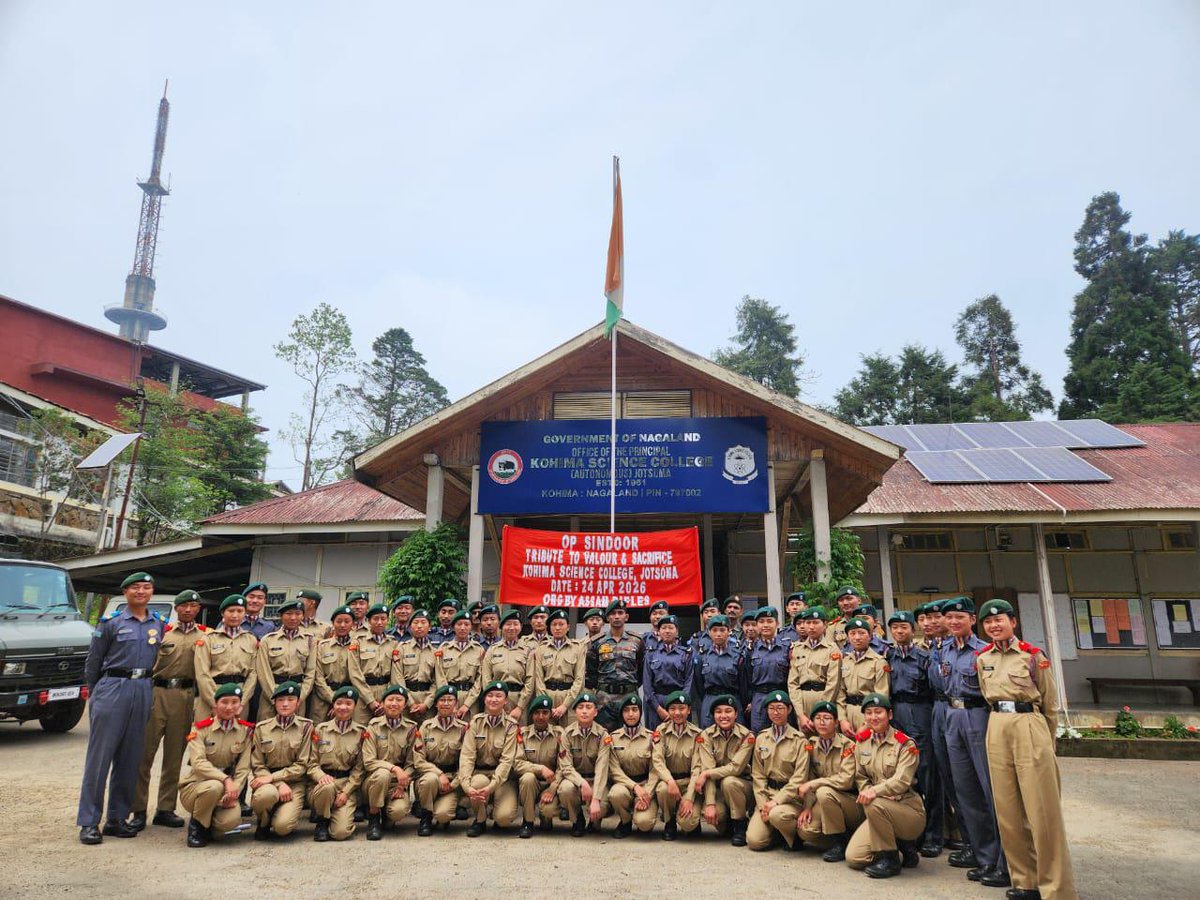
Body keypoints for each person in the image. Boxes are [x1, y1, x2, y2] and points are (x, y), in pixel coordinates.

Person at [976, 600, 1077, 900]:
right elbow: (986, 694)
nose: (995, 626)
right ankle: (1025, 880)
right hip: (997, 725)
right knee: (1008, 810)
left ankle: (1056, 888)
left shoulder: (1033, 656)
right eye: (989, 623)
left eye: (1000, 620)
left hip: (1028, 725)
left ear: (1013, 622)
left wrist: (1046, 742)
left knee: (1042, 811)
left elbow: (1049, 704)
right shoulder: (983, 658)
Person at [77, 572, 162, 845]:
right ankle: (89, 822)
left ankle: (116, 818)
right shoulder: (111, 623)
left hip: (144, 687)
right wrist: (98, 693)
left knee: (130, 758)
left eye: (146, 587)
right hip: (113, 686)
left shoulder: (157, 624)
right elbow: (94, 662)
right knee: (99, 758)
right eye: (135, 587)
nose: (141, 592)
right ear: (125, 592)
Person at [941, 596, 1009, 887]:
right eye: (950, 618)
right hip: (951, 717)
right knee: (965, 790)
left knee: (990, 790)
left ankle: (1004, 861)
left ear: (972, 620)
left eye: (960, 617)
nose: (953, 622)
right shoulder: (945, 650)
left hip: (979, 717)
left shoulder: (984, 651)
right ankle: (984, 856)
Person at [129, 588, 206, 832]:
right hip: (157, 693)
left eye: (193, 606)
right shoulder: (162, 631)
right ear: (177, 608)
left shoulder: (205, 636)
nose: (188, 610)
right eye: (184, 605)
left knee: (174, 756)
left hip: (185, 697)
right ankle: (138, 810)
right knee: (144, 755)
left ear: (198, 610)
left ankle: (165, 808)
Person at [845, 693, 926, 878]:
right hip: (879, 808)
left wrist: (875, 791)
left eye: (878, 712)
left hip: (907, 809)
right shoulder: (862, 742)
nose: (873, 717)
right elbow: (860, 776)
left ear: (889, 715)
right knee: (854, 858)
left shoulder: (905, 744)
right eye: (869, 713)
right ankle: (900, 845)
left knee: (873, 803)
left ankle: (890, 860)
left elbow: (902, 781)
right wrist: (870, 791)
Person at [885, 610, 938, 856]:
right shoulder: (889, 656)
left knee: (927, 772)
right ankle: (910, 830)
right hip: (897, 712)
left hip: (920, 712)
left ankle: (933, 834)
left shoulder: (923, 656)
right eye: (894, 628)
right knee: (903, 772)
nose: (899, 632)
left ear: (912, 629)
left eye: (903, 627)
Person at [177, 682, 253, 848]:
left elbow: (243, 769)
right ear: (215, 705)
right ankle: (197, 827)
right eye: (224, 702)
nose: (229, 707)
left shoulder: (245, 732)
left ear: (240, 707)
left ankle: (210, 825)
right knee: (214, 786)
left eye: (234, 702)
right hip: (197, 788)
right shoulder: (200, 729)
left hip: (226, 791)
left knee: (232, 820)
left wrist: (234, 791)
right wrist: (226, 780)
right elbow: (198, 764)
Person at [794, 700, 862, 861]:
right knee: (805, 831)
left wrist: (813, 784)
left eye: (827, 718)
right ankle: (845, 838)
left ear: (836, 722)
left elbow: (845, 780)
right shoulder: (811, 745)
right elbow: (809, 777)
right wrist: (808, 807)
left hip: (851, 802)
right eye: (817, 718)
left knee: (824, 792)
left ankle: (839, 843)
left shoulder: (848, 746)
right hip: (825, 801)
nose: (822, 722)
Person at [249, 681, 314, 839]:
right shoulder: (262, 728)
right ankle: (263, 822)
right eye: (280, 700)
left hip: (294, 783)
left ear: (298, 703)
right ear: (274, 702)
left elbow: (302, 765)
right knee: (266, 796)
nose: (285, 704)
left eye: (290, 700)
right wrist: (276, 782)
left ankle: (276, 815)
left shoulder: (306, 727)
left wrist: (275, 778)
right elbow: (257, 764)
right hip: (267, 781)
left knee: (283, 828)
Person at [925, 598, 964, 859]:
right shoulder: (930, 648)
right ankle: (942, 832)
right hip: (937, 710)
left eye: (936, 617)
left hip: (960, 711)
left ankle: (966, 835)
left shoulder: (958, 647)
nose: (930, 622)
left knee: (964, 775)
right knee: (938, 774)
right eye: (925, 619)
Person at [746, 689, 807, 851]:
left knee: (777, 815)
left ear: (789, 709)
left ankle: (793, 836)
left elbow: (799, 778)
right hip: (768, 795)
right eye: (772, 708)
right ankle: (776, 833)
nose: (776, 712)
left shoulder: (799, 740)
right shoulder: (762, 738)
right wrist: (762, 805)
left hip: (790, 799)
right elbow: (757, 775)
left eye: (780, 708)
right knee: (754, 842)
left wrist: (776, 801)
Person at [459, 681, 520, 836]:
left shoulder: (511, 726)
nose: (494, 699)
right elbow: (467, 757)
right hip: (480, 774)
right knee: (477, 783)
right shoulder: (475, 723)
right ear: (485, 699)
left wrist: (491, 787)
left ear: (505, 701)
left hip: (503, 779)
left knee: (504, 818)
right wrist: (467, 786)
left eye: (499, 696)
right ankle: (480, 820)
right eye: (490, 696)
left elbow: (507, 761)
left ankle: (497, 811)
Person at [694, 693, 754, 845]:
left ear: (736, 714)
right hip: (718, 789)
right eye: (718, 712)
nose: (723, 716)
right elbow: (707, 768)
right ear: (713, 715)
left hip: (742, 787)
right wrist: (710, 804)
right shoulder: (706, 735)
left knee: (729, 781)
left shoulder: (746, 736)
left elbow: (736, 768)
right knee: (716, 815)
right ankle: (727, 825)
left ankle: (740, 824)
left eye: (728, 711)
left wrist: (707, 773)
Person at [308, 685, 366, 841]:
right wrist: (320, 776)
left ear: (355, 706)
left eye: (348, 703)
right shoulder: (320, 730)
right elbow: (311, 763)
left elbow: (359, 769)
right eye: (339, 703)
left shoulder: (360, 733)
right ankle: (321, 821)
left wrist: (346, 792)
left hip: (346, 785)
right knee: (328, 786)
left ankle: (335, 816)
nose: (343, 707)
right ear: (333, 706)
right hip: (322, 785)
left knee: (340, 833)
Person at [361, 684, 419, 839]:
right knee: (382, 774)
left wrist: (402, 784)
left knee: (398, 812)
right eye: (390, 699)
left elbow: (413, 763)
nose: (394, 703)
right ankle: (373, 817)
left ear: (405, 704)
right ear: (382, 703)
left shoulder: (411, 728)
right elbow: (369, 761)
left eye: (399, 700)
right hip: (374, 782)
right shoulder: (373, 727)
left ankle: (387, 815)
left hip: (399, 782)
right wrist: (394, 768)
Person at [514, 694, 575, 837]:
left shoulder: (559, 734)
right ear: (531, 715)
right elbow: (517, 763)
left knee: (547, 810)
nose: (541, 717)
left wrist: (553, 789)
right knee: (527, 778)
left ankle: (546, 817)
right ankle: (528, 822)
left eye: (545, 713)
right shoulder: (522, 734)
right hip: (531, 784)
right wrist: (540, 769)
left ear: (550, 715)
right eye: (536, 713)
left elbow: (564, 765)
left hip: (552, 783)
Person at [413, 685, 469, 835]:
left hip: (452, 780)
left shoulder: (464, 729)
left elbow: (467, 762)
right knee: (430, 779)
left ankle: (443, 811)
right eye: (442, 700)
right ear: (436, 704)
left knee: (443, 815)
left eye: (450, 700)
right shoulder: (426, 727)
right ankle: (425, 817)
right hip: (429, 778)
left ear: (456, 704)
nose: (445, 703)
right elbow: (418, 760)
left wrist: (454, 784)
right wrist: (439, 774)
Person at [193, 594, 260, 720]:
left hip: (239, 696)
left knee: (236, 737)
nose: (235, 615)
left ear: (245, 613)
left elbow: (253, 674)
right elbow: (202, 674)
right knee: (208, 737)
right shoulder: (208, 639)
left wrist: (242, 702)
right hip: (212, 695)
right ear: (223, 613)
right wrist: (215, 703)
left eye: (240, 611)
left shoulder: (250, 640)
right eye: (231, 611)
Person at [603, 693, 659, 838]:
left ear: (640, 712)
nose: (631, 714)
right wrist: (635, 787)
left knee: (644, 824)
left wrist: (647, 792)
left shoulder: (651, 737)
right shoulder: (613, 738)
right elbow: (614, 770)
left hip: (645, 784)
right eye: (626, 710)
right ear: (621, 714)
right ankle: (625, 821)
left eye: (635, 710)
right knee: (616, 794)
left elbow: (655, 770)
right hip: (624, 785)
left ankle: (640, 816)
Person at [254, 597, 318, 720]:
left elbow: (311, 672)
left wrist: (300, 697)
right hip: (271, 694)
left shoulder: (310, 640)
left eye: (298, 614)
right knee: (267, 733)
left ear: (303, 616)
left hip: (297, 694)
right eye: (288, 614)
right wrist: (275, 698)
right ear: (281, 616)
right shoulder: (268, 640)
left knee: (295, 733)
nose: (293, 618)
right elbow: (263, 672)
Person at [651, 691, 702, 840]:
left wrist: (689, 799)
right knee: (662, 789)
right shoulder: (661, 731)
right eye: (672, 709)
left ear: (689, 710)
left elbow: (697, 768)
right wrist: (670, 781)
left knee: (688, 823)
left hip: (688, 783)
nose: (677, 713)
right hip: (670, 782)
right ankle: (670, 821)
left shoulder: (697, 734)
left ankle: (689, 818)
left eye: (681, 708)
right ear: (667, 711)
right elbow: (658, 761)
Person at [557, 691, 608, 836]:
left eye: (588, 707)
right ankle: (577, 819)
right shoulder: (566, 734)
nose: (584, 711)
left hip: (596, 779)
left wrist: (596, 798)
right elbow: (566, 767)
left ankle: (594, 821)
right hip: (575, 781)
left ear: (596, 712)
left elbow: (602, 768)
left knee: (603, 803)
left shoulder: (603, 735)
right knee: (565, 789)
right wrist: (582, 783)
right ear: (575, 712)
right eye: (580, 707)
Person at [588, 600, 644, 730]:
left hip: (629, 698)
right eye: (613, 613)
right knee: (604, 738)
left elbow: (641, 671)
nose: (617, 616)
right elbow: (591, 672)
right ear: (607, 618)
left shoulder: (636, 641)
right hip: (604, 700)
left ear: (626, 616)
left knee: (630, 736)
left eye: (620, 613)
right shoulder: (597, 642)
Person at [787, 607, 842, 733]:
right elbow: (793, 683)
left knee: (825, 741)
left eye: (815, 622)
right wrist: (800, 714)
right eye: (808, 622)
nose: (811, 627)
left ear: (825, 625)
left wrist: (821, 712)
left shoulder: (832, 649)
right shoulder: (798, 649)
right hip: (802, 702)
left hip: (824, 700)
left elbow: (833, 683)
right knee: (805, 744)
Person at [348, 604, 403, 724]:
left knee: (384, 731)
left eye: (383, 619)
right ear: (368, 621)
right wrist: (370, 701)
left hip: (385, 694)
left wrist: (387, 699)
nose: (379, 622)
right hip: (363, 694)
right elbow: (354, 673)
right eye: (375, 619)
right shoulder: (358, 642)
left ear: (387, 621)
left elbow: (395, 674)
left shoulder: (393, 643)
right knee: (360, 731)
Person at [532, 610, 586, 726]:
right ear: (549, 628)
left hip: (569, 698)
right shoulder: (541, 649)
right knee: (547, 736)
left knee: (568, 736)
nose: (557, 628)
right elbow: (538, 679)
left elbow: (579, 680)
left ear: (568, 627)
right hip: (548, 696)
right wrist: (546, 703)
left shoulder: (577, 648)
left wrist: (564, 706)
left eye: (561, 624)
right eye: (554, 624)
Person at [837, 617, 889, 738]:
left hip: (869, 714)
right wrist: (842, 720)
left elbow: (881, 695)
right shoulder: (845, 661)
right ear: (848, 638)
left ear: (870, 636)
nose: (857, 637)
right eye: (853, 633)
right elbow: (840, 693)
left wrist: (867, 724)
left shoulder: (879, 662)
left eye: (862, 633)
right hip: (848, 714)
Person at [480, 609, 535, 723]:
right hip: (496, 700)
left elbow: (530, 681)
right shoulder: (492, 650)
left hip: (519, 699)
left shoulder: (527, 651)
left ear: (520, 627)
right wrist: (493, 701)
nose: (511, 628)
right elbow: (486, 679)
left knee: (518, 736)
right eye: (508, 624)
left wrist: (520, 707)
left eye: (515, 624)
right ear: (501, 626)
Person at [742, 607, 791, 733]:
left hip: (781, 695)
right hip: (759, 698)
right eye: (761, 622)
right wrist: (749, 701)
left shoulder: (787, 648)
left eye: (769, 621)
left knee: (783, 733)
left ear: (777, 623)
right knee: (759, 733)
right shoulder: (750, 650)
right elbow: (747, 678)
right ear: (757, 625)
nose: (765, 625)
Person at [642, 614, 694, 729]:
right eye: (664, 628)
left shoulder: (686, 654)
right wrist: (658, 709)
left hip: (679, 702)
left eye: (671, 628)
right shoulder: (651, 654)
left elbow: (689, 682)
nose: (667, 631)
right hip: (657, 703)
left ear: (677, 631)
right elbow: (647, 685)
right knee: (656, 740)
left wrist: (680, 707)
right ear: (659, 631)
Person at [692, 614, 743, 728]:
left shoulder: (738, 655)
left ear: (729, 631)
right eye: (714, 630)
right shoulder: (702, 655)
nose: (718, 634)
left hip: (732, 698)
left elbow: (743, 683)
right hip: (710, 698)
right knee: (708, 735)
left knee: (736, 736)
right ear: (709, 632)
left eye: (722, 630)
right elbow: (698, 683)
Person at [311, 606, 358, 723]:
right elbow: (318, 677)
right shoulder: (322, 646)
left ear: (353, 624)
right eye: (339, 621)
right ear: (332, 623)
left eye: (347, 621)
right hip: (323, 698)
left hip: (348, 698)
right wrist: (334, 700)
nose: (342, 625)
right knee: (320, 734)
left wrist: (342, 702)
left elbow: (358, 676)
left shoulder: (357, 646)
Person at [433, 610, 484, 717]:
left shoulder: (478, 649)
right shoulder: (444, 648)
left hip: (471, 700)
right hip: (447, 699)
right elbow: (439, 676)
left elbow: (480, 679)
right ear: (453, 627)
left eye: (466, 624)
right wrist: (450, 702)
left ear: (471, 626)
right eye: (459, 624)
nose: (462, 628)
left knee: (469, 730)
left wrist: (467, 704)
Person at [396, 609, 439, 719]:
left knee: (427, 734)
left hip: (427, 701)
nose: (419, 626)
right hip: (405, 700)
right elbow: (397, 677)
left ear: (429, 627)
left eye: (423, 622)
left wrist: (427, 704)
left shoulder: (435, 652)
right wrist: (410, 702)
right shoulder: (401, 649)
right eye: (415, 623)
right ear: (410, 627)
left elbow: (437, 681)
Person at [581, 607, 606, 690]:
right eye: (591, 620)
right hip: (584, 687)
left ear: (603, 623)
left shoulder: (608, 643)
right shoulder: (579, 644)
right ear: (585, 623)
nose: (595, 622)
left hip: (603, 688)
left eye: (598, 620)